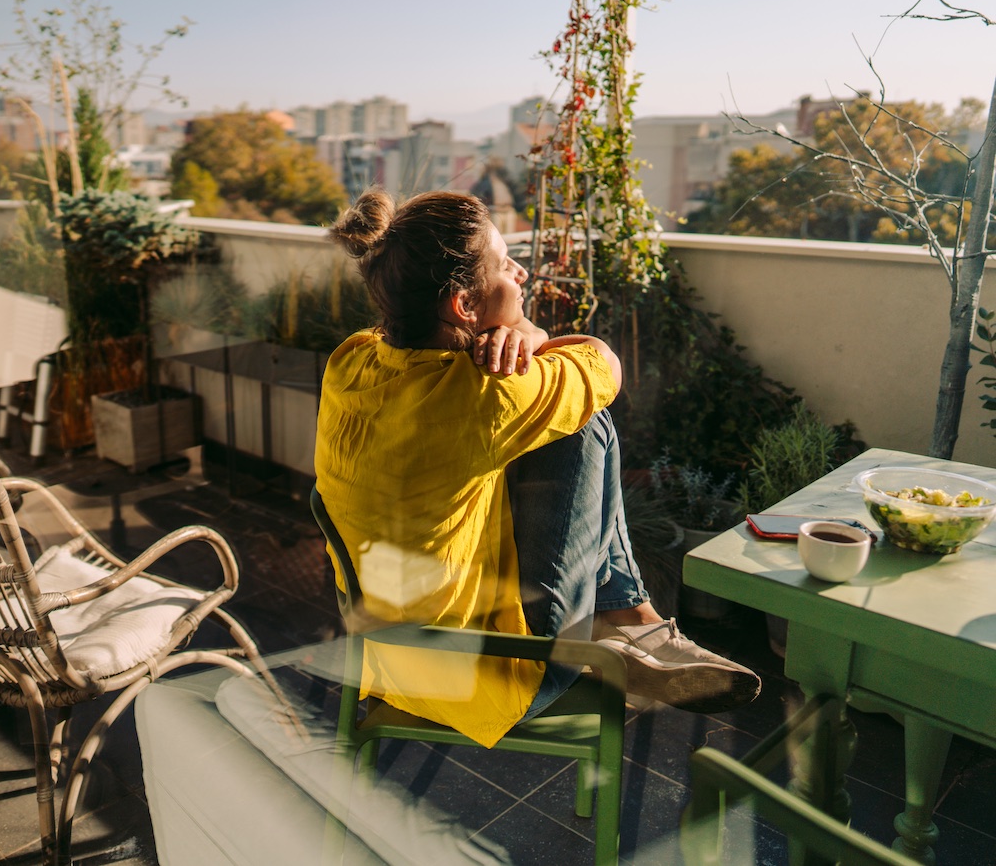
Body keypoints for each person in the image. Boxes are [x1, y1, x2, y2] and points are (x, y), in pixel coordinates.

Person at [314, 188, 759, 749]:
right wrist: (530, 336)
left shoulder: (351, 359)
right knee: (585, 423)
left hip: (385, 661)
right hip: (488, 675)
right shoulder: (485, 397)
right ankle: (626, 622)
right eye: (504, 265)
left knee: (547, 426)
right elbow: (605, 366)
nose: (520, 272)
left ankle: (628, 623)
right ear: (463, 306)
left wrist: (522, 334)